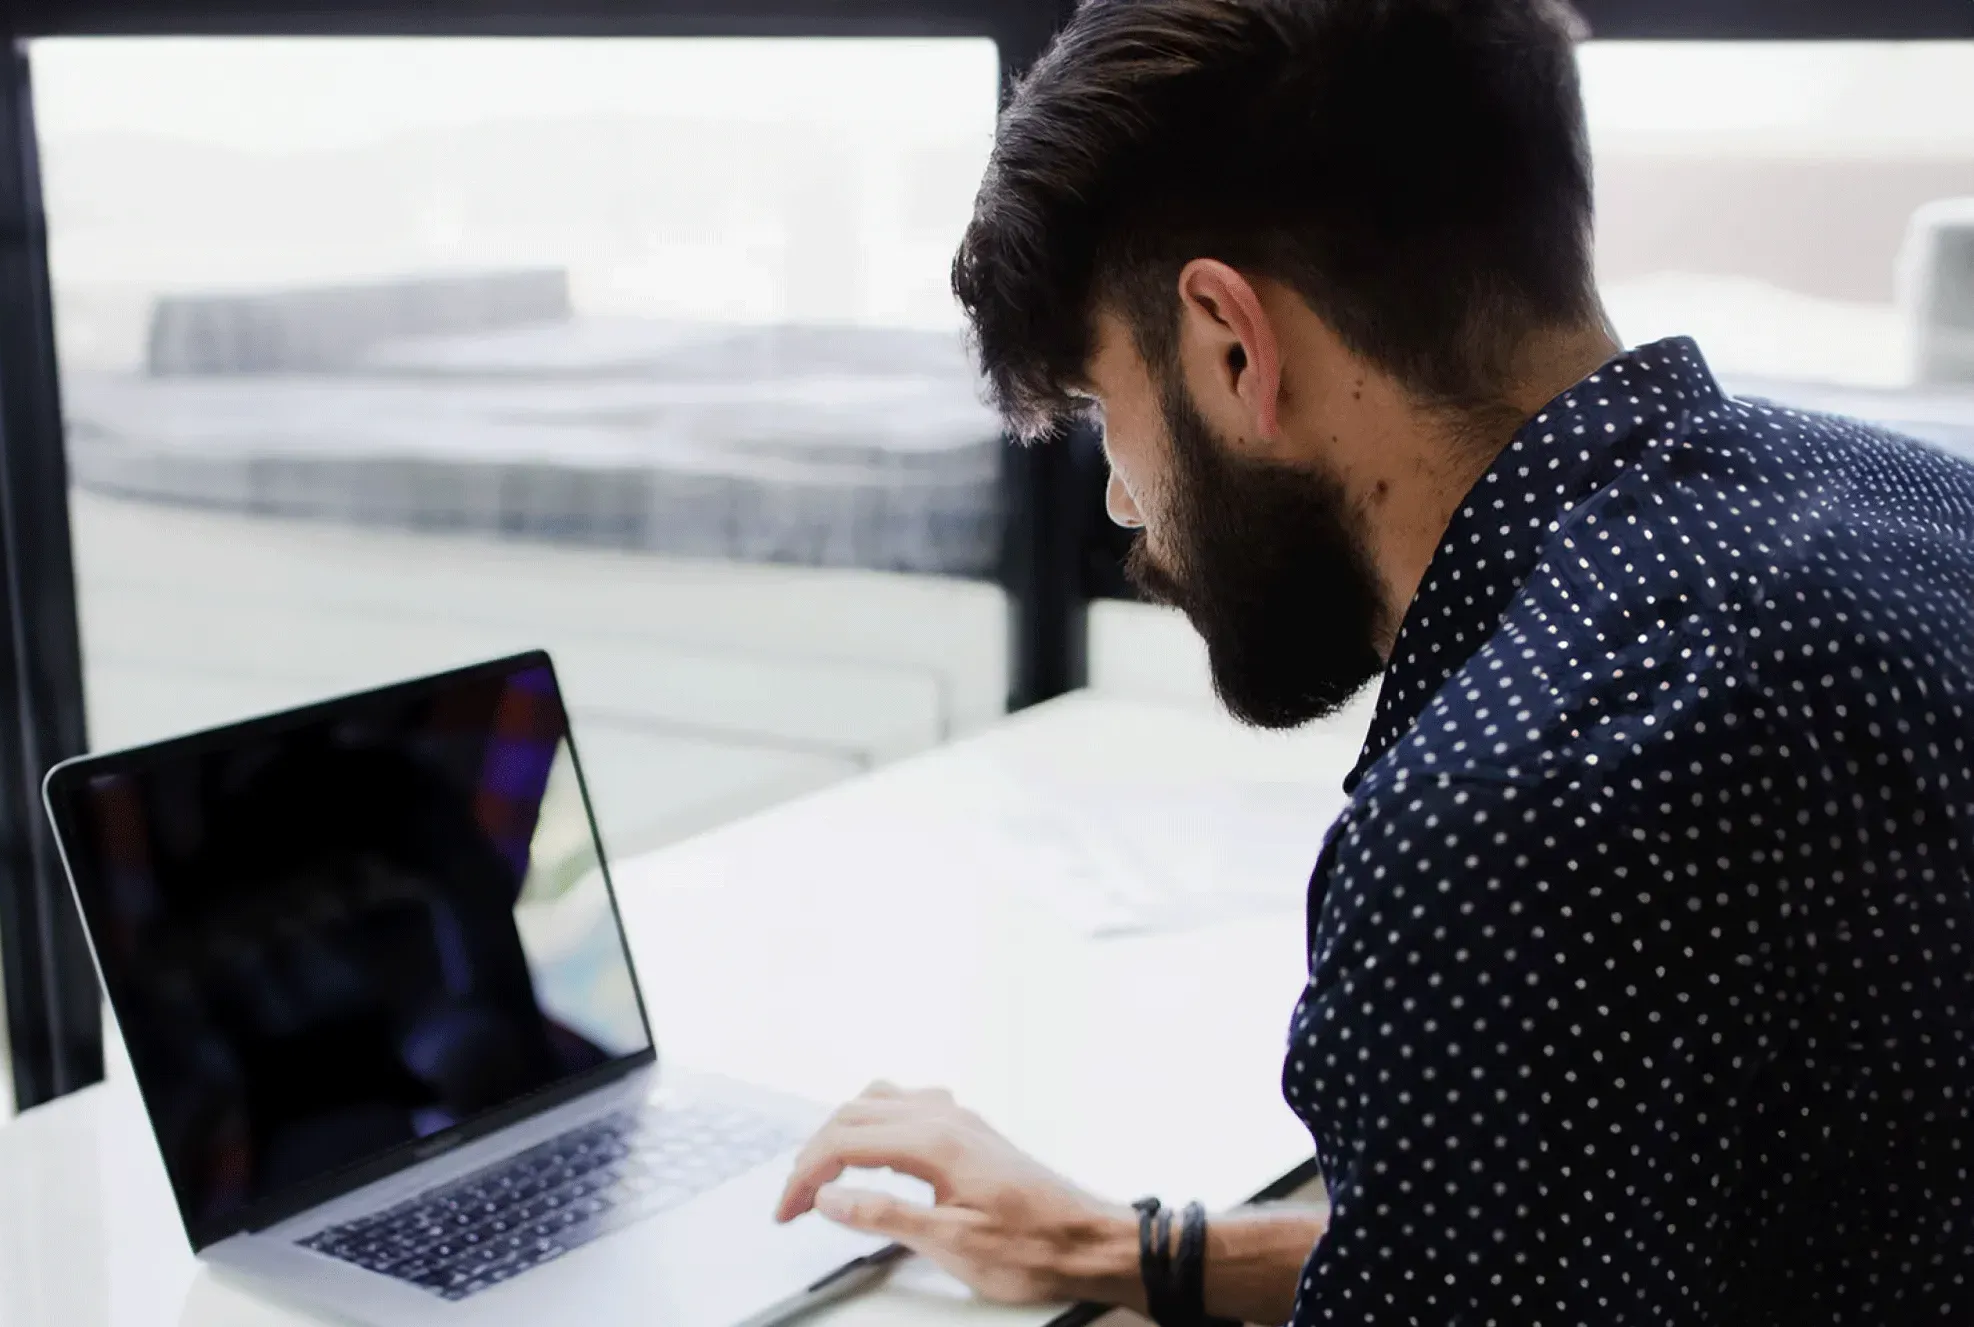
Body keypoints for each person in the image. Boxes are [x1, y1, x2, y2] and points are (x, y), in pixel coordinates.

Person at [770, 1, 1974, 1323]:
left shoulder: (1509, 813)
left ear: (1232, 346)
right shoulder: (1920, 509)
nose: (1121, 504)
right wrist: (1141, 1251)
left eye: (1109, 415)